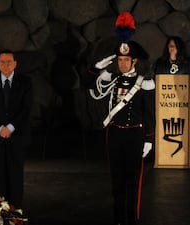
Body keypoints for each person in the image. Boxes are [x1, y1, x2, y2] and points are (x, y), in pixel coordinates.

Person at [88, 12, 155, 225]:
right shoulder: (112, 79)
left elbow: (150, 112)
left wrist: (149, 139)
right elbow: (91, 74)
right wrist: (108, 58)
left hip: (135, 134)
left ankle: (132, 218)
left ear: (134, 60)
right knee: (116, 179)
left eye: (126, 60)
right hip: (115, 133)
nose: (123, 63)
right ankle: (118, 218)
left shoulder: (144, 82)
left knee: (134, 180)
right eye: (120, 60)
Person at [0, 50, 32, 209]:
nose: (5, 65)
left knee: (16, 173)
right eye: (2, 62)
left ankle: (15, 209)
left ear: (15, 63)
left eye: (9, 61)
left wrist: (10, 127)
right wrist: (0, 127)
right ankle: (2, 209)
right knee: (0, 174)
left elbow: (26, 108)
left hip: (17, 135)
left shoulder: (25, 82)